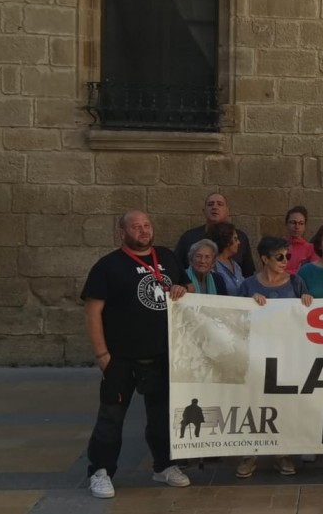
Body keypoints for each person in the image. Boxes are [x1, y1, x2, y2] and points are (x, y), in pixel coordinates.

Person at [82, 211, 191, 499]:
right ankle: (100, 471)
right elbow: (93, 313)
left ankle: (164, 465)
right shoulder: (108, 266)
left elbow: (188, 290)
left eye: (146, 226)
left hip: (161, 354)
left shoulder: (167, 257)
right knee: (111, 417)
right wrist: (102, 355)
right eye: (135, 227)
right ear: (122, 233)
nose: (142, 231)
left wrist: (183, 289)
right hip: (121, 357)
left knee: (161, 416)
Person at [235, 237, 313, 479]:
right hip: (255, 356)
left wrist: (307, 304)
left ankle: (282, 453)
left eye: (288, 257)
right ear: (265, 259)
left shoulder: (297, 282)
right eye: (279, 257)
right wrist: (251, 305)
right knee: (253, 403)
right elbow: (236, 319)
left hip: (286, 355)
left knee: (283, 404)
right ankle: (251, 454)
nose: (285, 261)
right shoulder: (247, 286)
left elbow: (306, 318)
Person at [174, 193, 255, 278]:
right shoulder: (189, 237)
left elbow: (248, 273)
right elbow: (176, 267)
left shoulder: (240, 237)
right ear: (204, 211)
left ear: (227, 211)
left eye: (220, 204)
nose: (215, 207)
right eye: (210, 204)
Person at [206, 222, 246, 296]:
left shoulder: (236, 266)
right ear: (226, 241)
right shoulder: (211, 265)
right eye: (235, 239)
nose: (239, 242)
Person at [283, 205, 317, 274]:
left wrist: (285, 272)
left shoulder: (311, 249)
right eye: (293, 222)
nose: (297, 227)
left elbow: (311, 272)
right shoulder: (276, 247)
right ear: (286, 224)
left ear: (305, 226)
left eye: (301, 223)